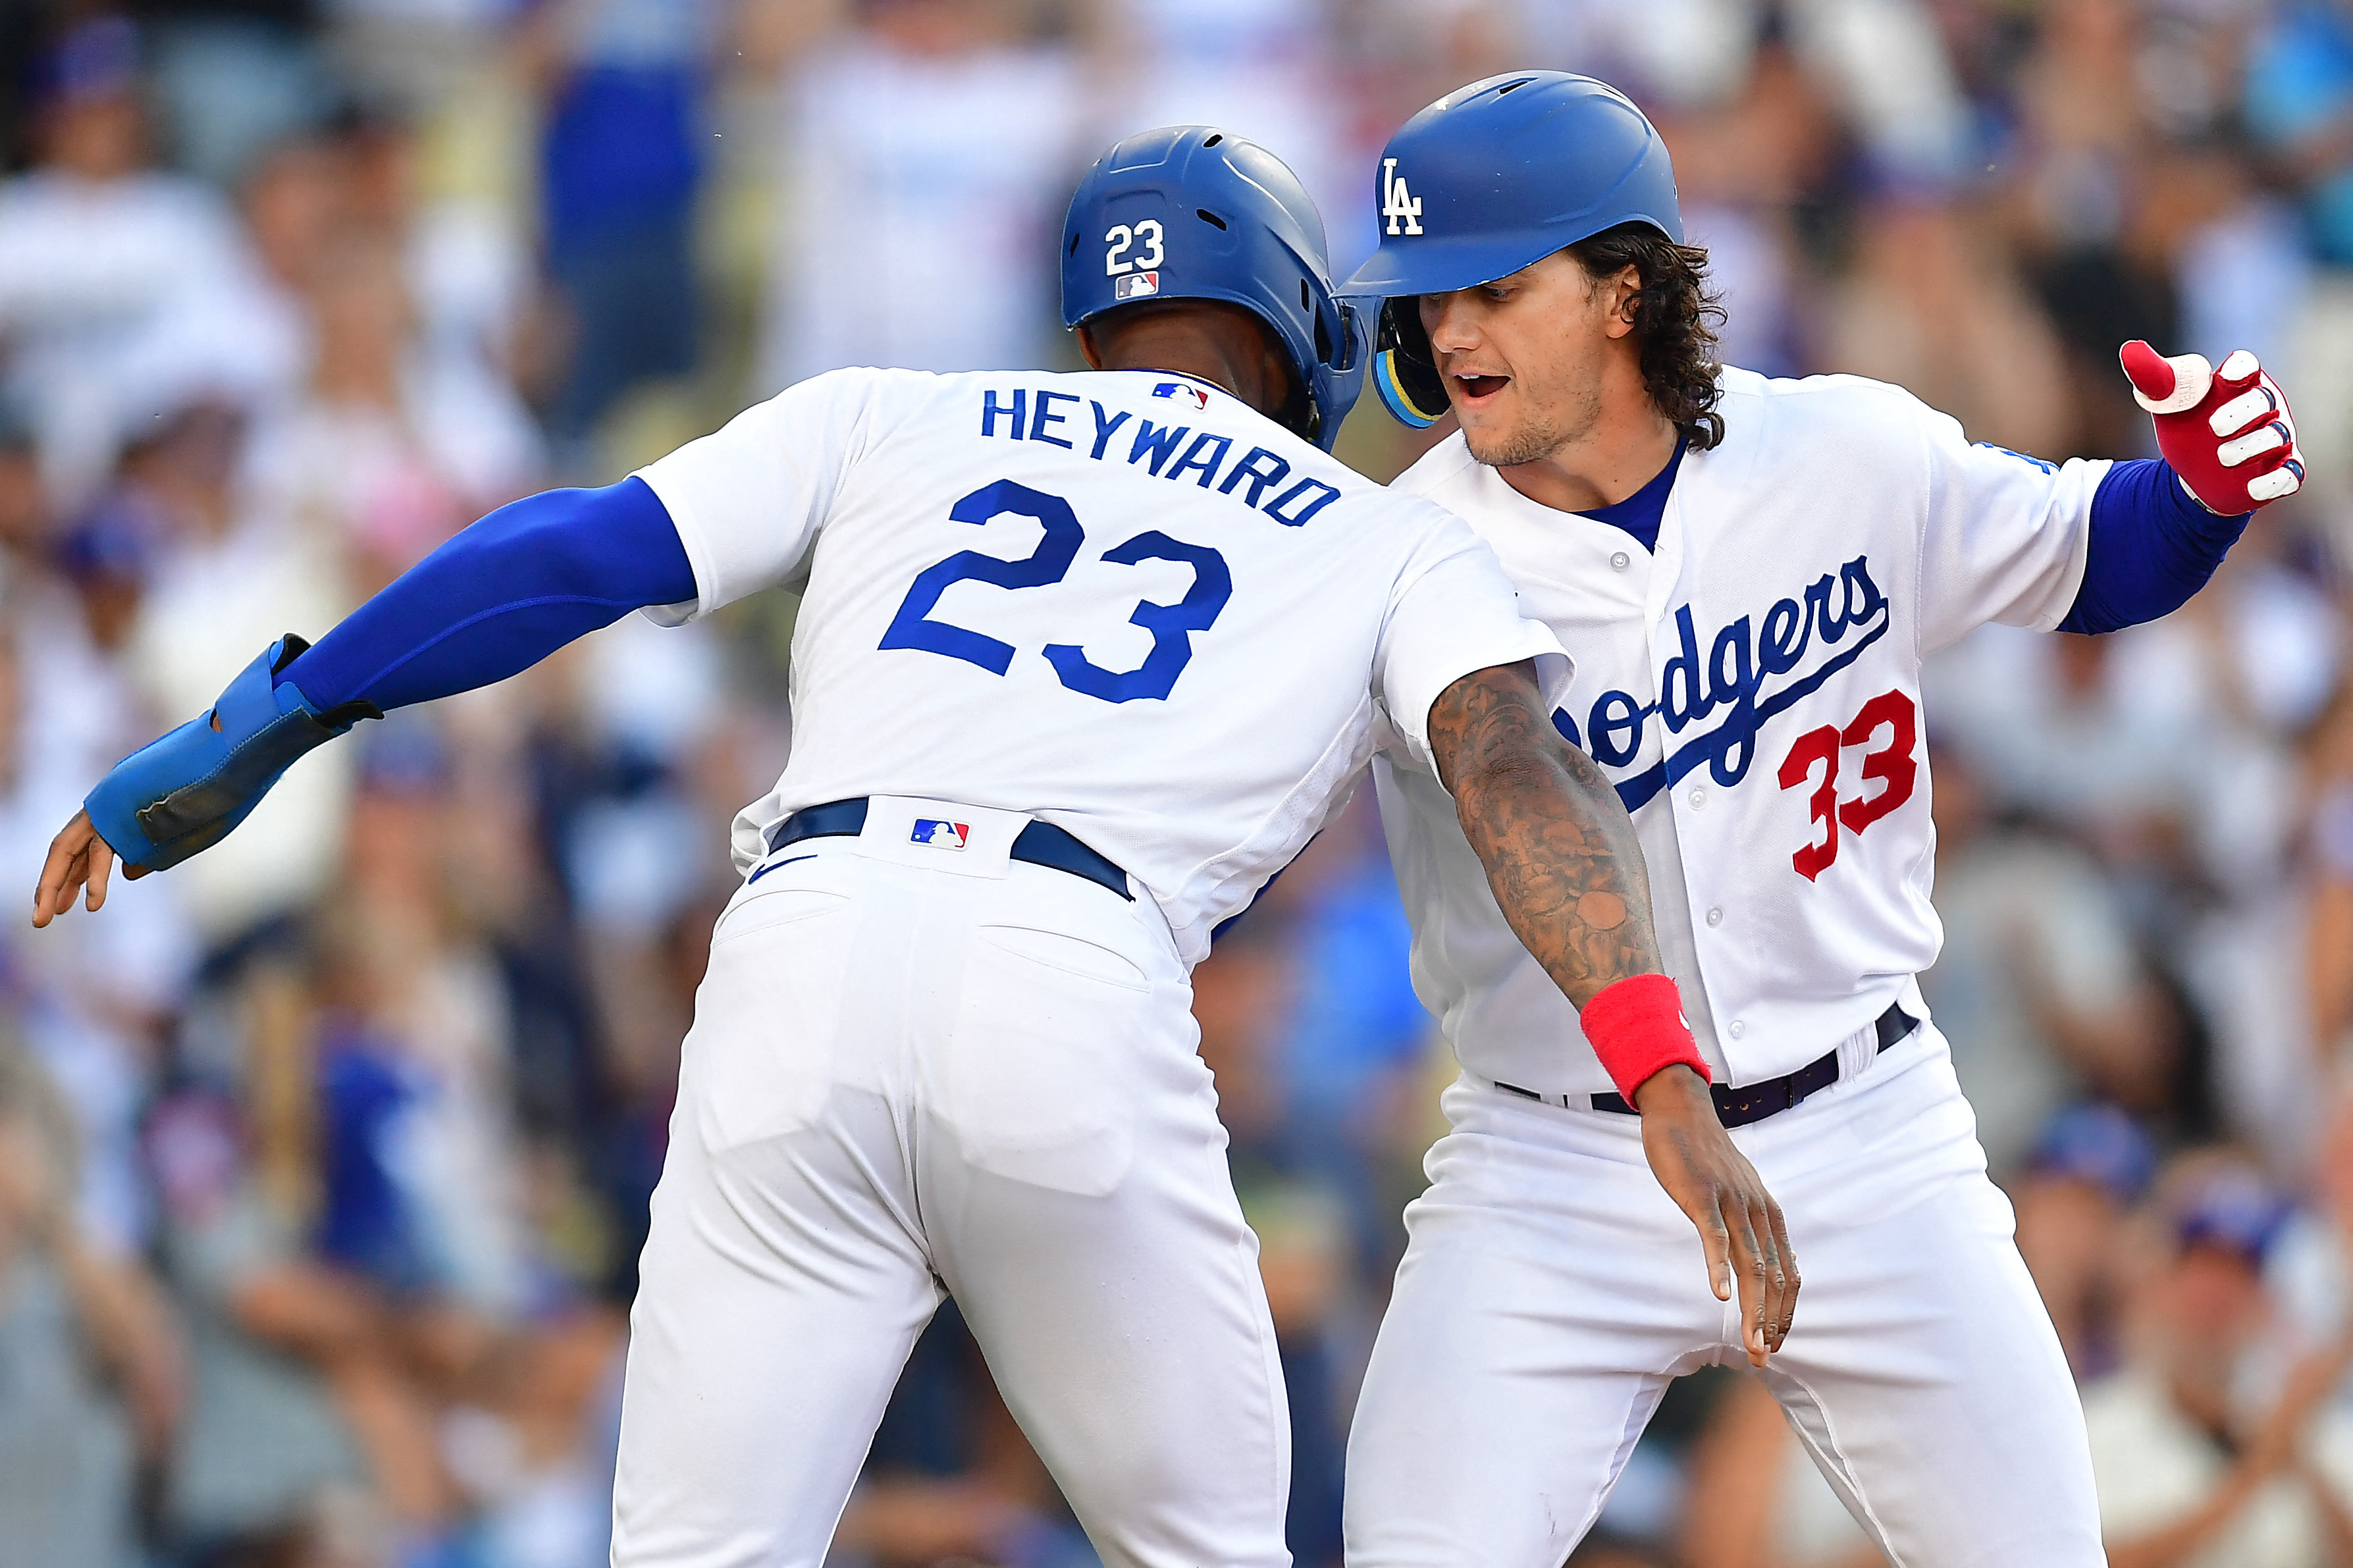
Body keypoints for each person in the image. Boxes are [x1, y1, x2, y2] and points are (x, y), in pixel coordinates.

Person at [30, 127, 1792, 1568]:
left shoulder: (888, 407)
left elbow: (573, 550)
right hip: (1066, 983)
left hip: (798, 944)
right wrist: (1651, 1060)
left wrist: (281, 710)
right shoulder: (1378, 532)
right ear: (1286, 319)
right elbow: (1511, 770)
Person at [1338, 72, 2308, 1568]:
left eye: (1492, 287)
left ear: (1623, 290)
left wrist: (2198, 492)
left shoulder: (1841, 451)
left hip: (1865, 1134)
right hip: (1551, 1167)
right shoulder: (1406, 552)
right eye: (1425, 299)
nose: (1447, 331)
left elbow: (2082, 559)